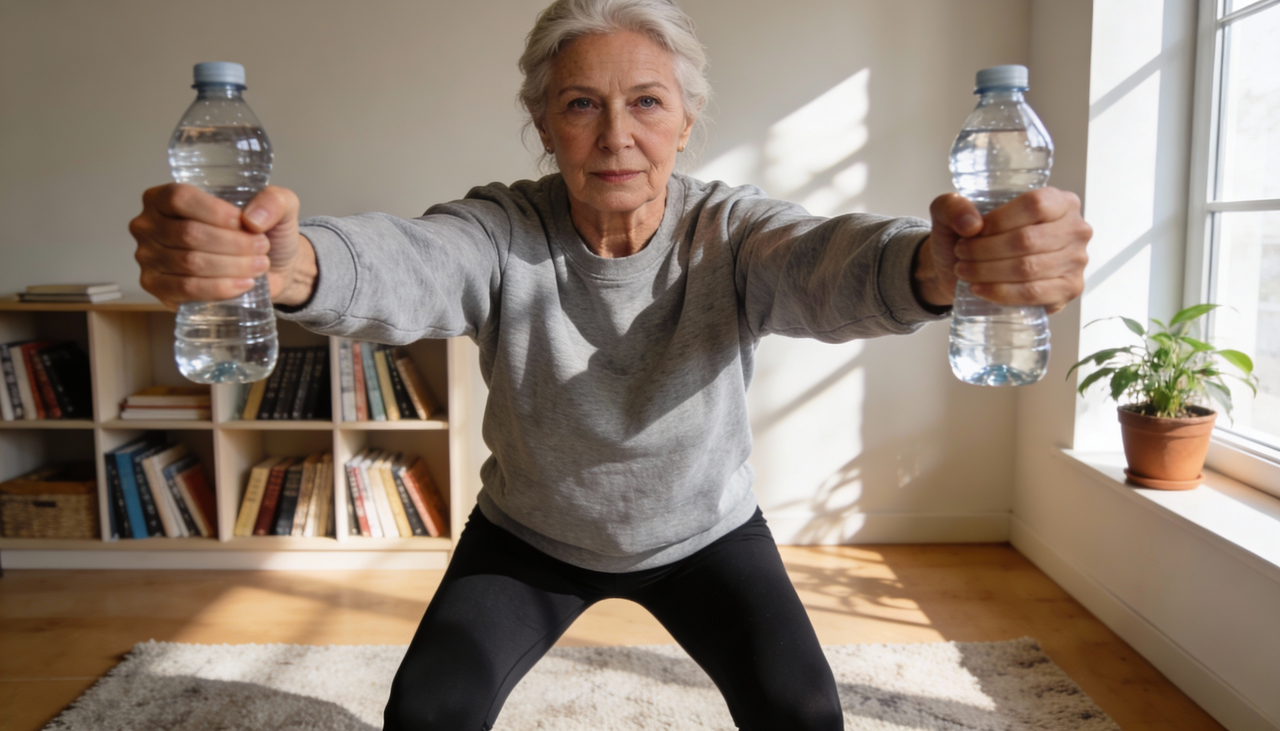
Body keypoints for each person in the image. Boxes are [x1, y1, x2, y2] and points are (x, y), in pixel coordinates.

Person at [129, 0, 1091, 727]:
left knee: (806, 714)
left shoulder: (729, 229)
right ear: (544, 126)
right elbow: (414, 260)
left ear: (686, 120)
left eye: (646, 102)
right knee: (425, 714)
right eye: (581, 105)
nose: (616, 133)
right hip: (530, 534)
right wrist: (289, 263)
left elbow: (825, 260)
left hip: (705, 532)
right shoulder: (503, 228)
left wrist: (938, 262)